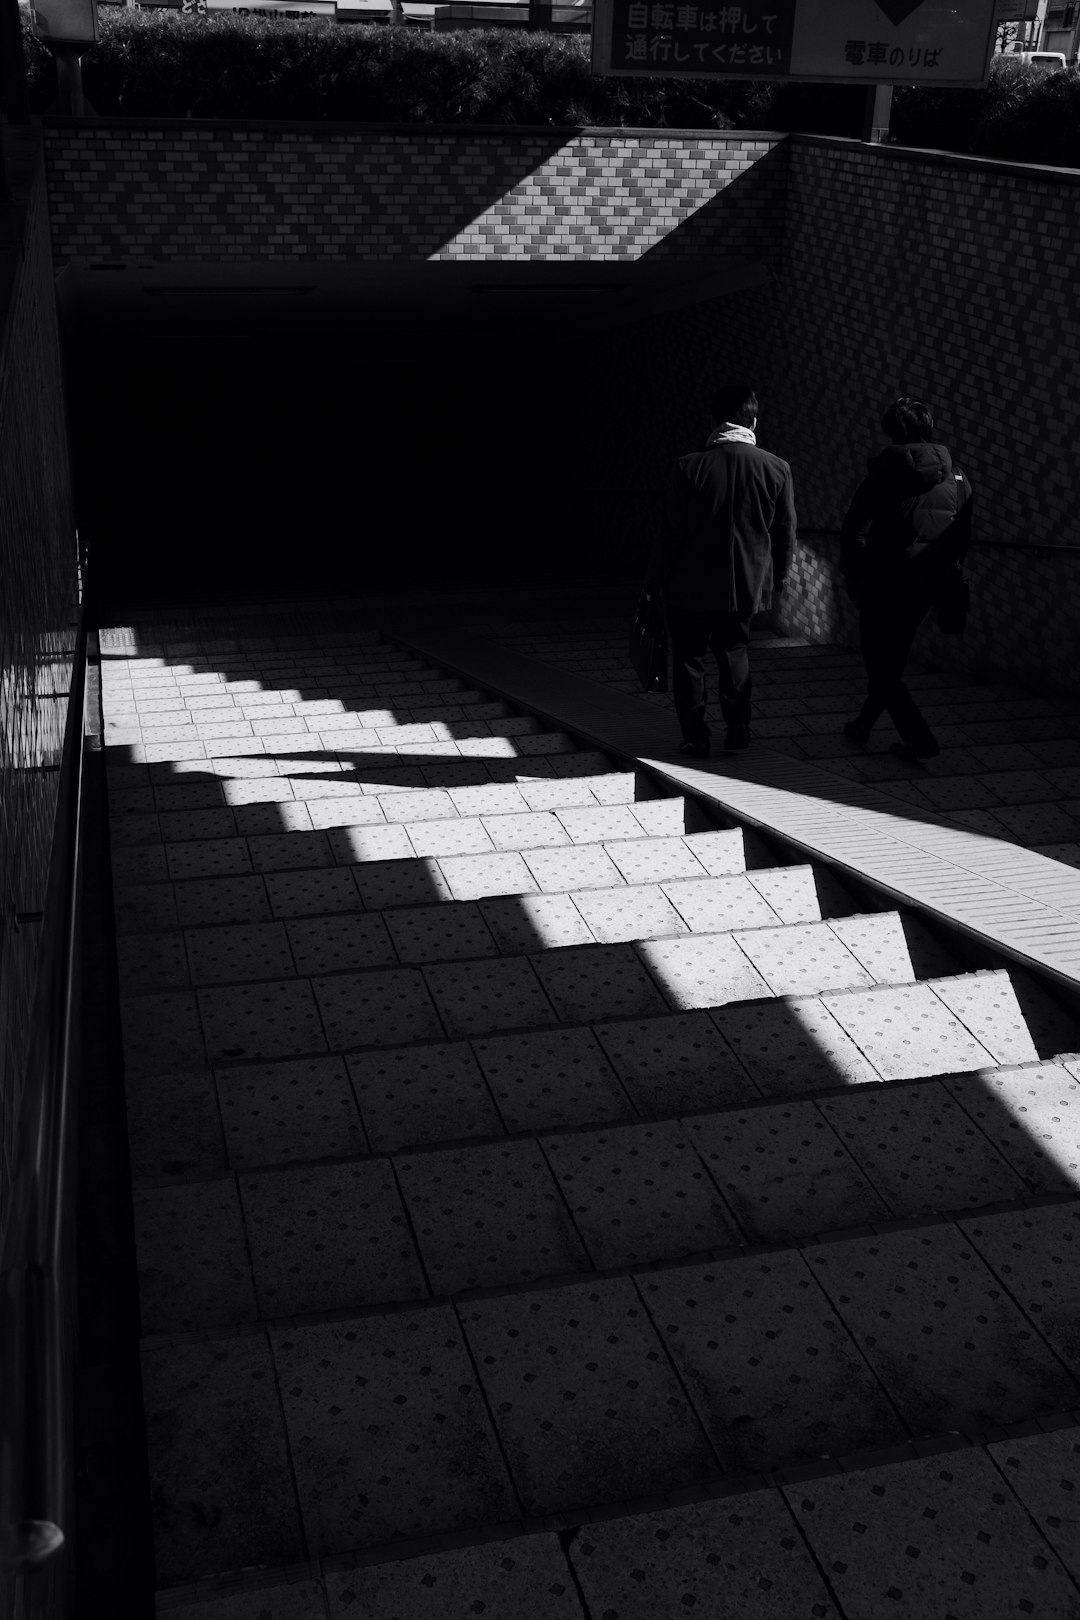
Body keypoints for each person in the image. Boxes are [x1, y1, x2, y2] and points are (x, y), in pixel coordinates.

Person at [646, 382, 797, 758]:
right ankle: (738, 727)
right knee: (734, 649)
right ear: (754, 420)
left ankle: (696, 735)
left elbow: (670, 533)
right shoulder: (777, 468)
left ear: (713, 420)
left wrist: (654, 583)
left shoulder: (689, 467)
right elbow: (785, 530)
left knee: (689, 657)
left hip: (689, 585)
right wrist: (780, 578)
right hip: (745, 585)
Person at [840, 396, 973, 761]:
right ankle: (863, 723)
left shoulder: (882, 478)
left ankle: (920, 739)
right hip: (925, 589)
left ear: (893, 434)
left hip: (881, 587)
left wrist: (854, 576)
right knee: (891, 663)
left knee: (880, 667)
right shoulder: (958, 479)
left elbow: (856, 533)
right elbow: (960, 538)